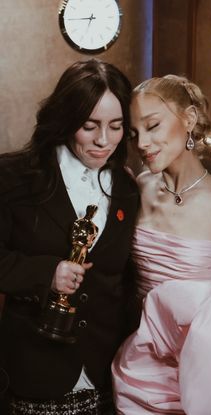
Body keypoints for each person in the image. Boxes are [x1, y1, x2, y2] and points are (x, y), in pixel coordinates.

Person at [0, 58, 139, 414]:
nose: (103, 140)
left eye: (116, 126)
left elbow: (128, 277)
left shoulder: (128, 187)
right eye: (89, 125)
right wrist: (47, 273)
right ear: (65, 119)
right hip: (35, 368)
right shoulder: (13, 176)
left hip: (111, 369)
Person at [112, 74, 211, 414]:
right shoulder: (138, 187)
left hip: (207, 367)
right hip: (141, 362)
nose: (142, 143)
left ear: (189, 119)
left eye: (153, 126)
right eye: (135, 133)